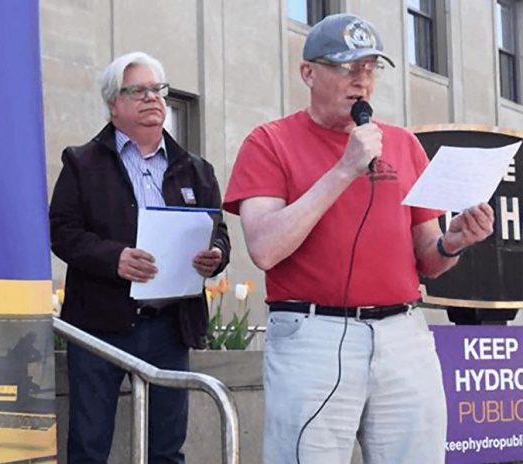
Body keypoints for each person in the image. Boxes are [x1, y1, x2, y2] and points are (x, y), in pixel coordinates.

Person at [223, 13, 494, 464]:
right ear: (308, 72)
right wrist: (344, 169)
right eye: (347, 67)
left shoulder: (403, 144)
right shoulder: (269, 142)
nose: (361, 81)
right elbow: (265, 248)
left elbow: (428, 257)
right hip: (314, 336)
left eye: (370, 68)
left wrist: (455, 241)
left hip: (403, 335)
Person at [49, 51, 230, 463]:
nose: (153, 98)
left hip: (170, 327)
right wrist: (114, 258)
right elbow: (62, 232)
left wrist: (215, 255)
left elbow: (219, 232)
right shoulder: (82, 162)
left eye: (158, 90)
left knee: (167, 449)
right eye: (139, 91)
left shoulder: (196, 169)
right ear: (115, 104)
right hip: (100, 326)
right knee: (89, 446)